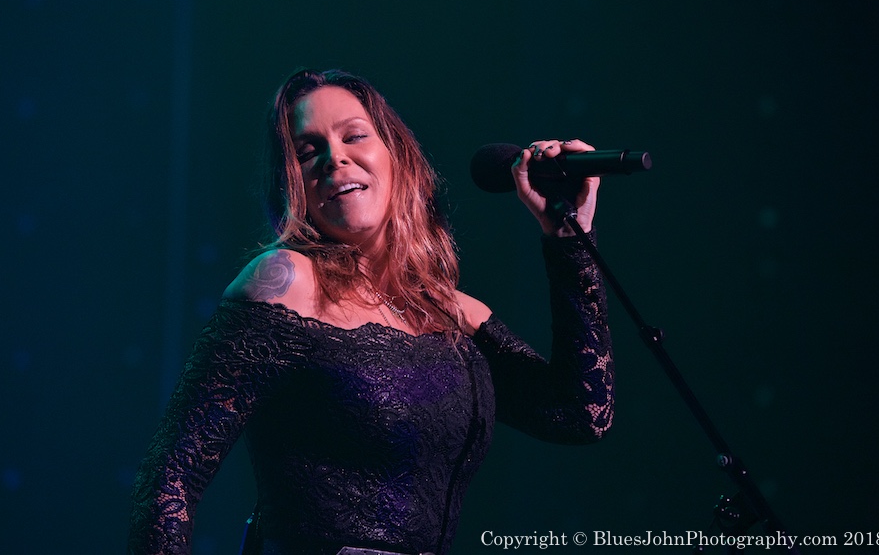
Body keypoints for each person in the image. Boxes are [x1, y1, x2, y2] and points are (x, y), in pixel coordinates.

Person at [128, 69, 614, 555]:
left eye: (354, 135)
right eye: (307, 151)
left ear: (396, 155)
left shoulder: (452, 312)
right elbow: (170, 479)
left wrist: (571, 240)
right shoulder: (284, 282)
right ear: (290, 183)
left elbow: (580, 414)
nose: (334, 157)